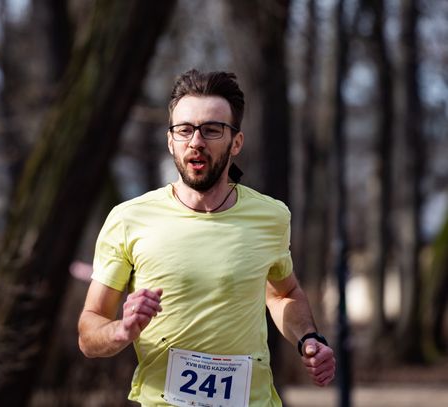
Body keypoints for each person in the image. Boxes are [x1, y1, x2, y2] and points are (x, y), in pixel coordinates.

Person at [78, 69, 336, 407]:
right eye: (184, 130)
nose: (196, 142)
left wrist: (308, 338)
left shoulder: (271, 217)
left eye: (212, 130)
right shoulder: (129, 219)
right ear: (170, 141)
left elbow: (282, 293)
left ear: (236, 143)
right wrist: (120, 330)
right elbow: (89, 330)